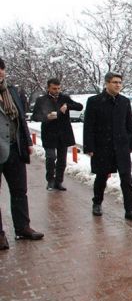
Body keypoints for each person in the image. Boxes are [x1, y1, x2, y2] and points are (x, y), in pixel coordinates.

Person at [83, 72, 132, 222]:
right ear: (107, 83)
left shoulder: (124, 101)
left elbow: (130, 124)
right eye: (114, 82)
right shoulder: (94, 101)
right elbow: (89, 126)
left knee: (126, 178)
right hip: (103, 146)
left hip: (121, 146)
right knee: (102, 177)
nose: (118, 85)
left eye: (120, 82)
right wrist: (89, 146)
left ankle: (130, 210)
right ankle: (97, 203)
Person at [0, 57, 44, 250]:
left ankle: (23, 228)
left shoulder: (11, 91)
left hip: (15, 149)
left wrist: (27, 142)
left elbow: (21, 120)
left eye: (2, 69)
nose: (0, 72)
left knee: (20, 191)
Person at [31, 78, 83, 191]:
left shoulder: (64, 98)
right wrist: (46, 117)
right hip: (49, 133)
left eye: (59, 88)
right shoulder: (42, 100)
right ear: (48, 88)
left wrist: (68, 106)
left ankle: (59, 181)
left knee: (62, 160)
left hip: (63, 133)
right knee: (51, 157)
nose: (57, 90)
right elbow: (34, 116)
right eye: (54, 88)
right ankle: (50, 180)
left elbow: (80, 106)